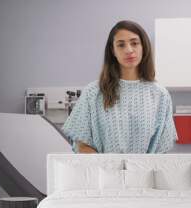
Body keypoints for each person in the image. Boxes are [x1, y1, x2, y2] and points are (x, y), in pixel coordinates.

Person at [62, 20, 178, 154]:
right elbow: (81, 144)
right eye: (121, 45)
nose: (129, 50)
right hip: (102, 173)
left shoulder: (160, 95)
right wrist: (109, 171)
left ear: (144, 47)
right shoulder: (93, 93)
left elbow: (162, 149)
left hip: (144, 173)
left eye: (134, 43)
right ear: (113, 51)